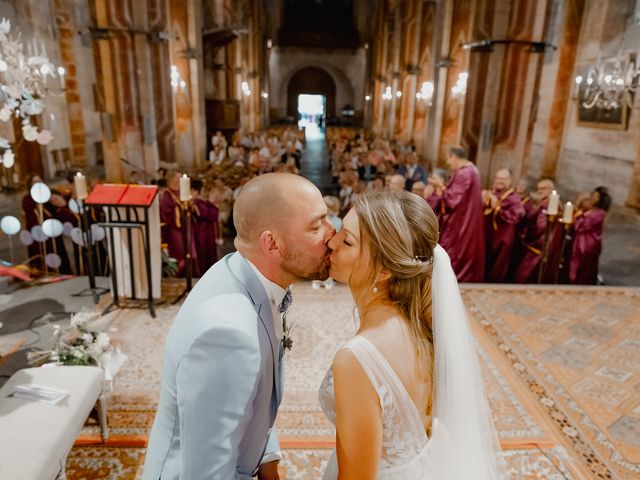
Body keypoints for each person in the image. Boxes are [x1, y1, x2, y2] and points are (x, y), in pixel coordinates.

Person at [144, 173, 335, 480]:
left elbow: (251, 403)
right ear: (271, 243)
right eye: (317, 225)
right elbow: (207, 473)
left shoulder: (246, 271)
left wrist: (268, 464)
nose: (332, 234)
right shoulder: (227, 334)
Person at [321, 191, 503, 479]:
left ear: (382, 269)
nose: (331, 242)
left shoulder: (356, 359)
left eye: (347, 240)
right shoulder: (417, 324)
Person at [429, 147, 485, 282]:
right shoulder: (473, 170)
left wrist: (441, 186)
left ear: (454, 157)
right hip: (466, 217)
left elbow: (452, 200)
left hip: (461, 221)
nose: (448, 162)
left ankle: (450, 281)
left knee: (454, 250)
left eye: (449, 158)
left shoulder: (464, 173)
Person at [483, 168, 524, 282]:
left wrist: (496, 205)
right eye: (498, 178)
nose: (499, 181)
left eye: (503, 179)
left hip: (503, 239)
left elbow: (514, 216)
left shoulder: (514, 198)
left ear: (509, 181)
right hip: (489, 235)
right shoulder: (492, 192)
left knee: (498, 266)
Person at [569, 186, 610, 285]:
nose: (592, 198)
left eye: (596, 197)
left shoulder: (598, 214)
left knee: (582, 269)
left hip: (587, 245)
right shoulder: (592, 210)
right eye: (592, 195)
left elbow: (579, 226)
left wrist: (578, 211)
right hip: (581, 242)